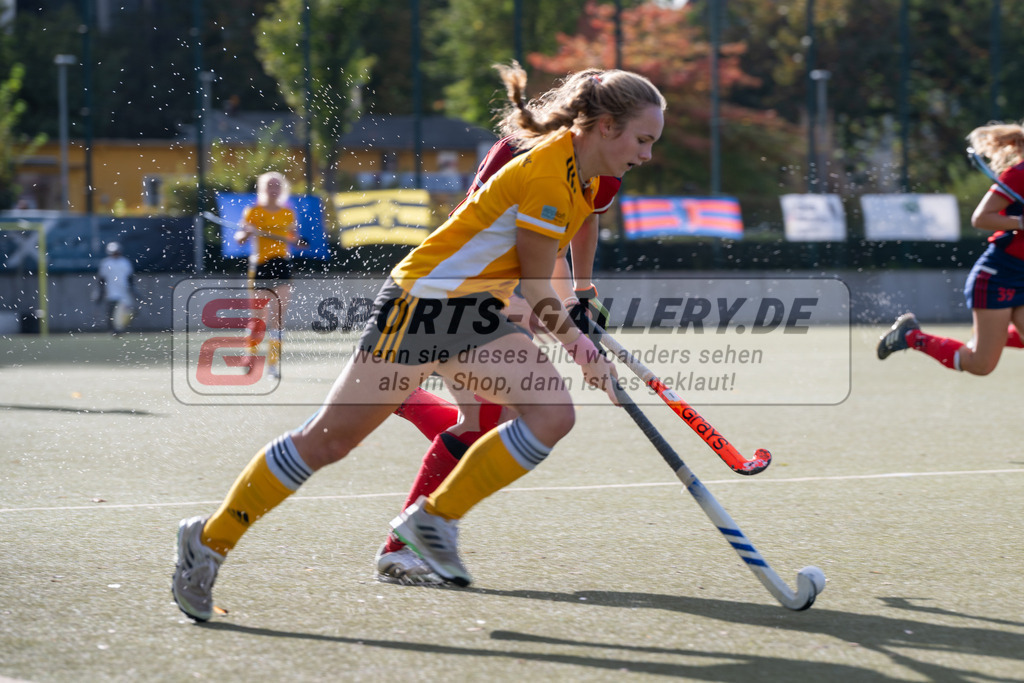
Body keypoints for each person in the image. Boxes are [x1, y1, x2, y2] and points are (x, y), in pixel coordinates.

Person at [172, 62, 665, 621]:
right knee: (327, 443)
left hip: (473, 312)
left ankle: (432, 519)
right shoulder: (549, 174)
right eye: (642, 139)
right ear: (604, 126)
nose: (646, 154)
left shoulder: (584, 174)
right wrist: (581, 348)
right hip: (422, 304)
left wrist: (581, 299)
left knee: (551, 414)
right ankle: (209, 541)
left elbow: (556, 260)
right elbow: (533, 284)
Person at [375, 134, 621, 585]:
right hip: (464, 289)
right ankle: (400, 549)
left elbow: (579, 226)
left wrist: (581, 295)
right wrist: (551, 314)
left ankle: (409, 403)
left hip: (499, 291)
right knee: (483, 422)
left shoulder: (607, 162)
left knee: (496, 422)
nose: (642, 152)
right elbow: (498, 235)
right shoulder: (524, 152)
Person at [878, 122, 1024, 373]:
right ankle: (911, 336)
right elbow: (981, 218)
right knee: (981, 365)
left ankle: (993, 332)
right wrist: (1020, 221)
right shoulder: (1019, 175)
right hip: (1000, 276)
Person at [236, 171, 306, 379]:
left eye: (277, 185)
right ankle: (250, 354)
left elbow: (294, 237)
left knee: (278, 318)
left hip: (282, 265)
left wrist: (298, 241)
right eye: (269, 185)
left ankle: (273, 366)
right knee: (258, 319)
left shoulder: (287, 213)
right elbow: (239, 238)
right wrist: (247, 232)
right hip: (260, 266)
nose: (273, 189)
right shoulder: (253, 212)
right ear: (262, 188)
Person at [95, 241, 136, 334]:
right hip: (111, 291)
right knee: (111, 311)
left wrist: (132, 289)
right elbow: (102, 278)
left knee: (125, 311)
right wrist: (100, 291)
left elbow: (130, 277)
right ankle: (112, 329)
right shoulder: (105, 263)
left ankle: (122, 328)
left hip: (124, 291)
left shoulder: (125, 262)